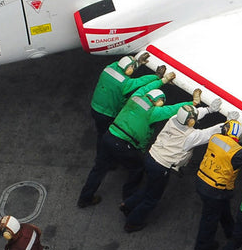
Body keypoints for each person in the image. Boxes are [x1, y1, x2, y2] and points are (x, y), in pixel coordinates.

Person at [77, 78, 193, 208]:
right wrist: (192, 103)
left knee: (98, 169)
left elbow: (144, 88)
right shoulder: (153, 112)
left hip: (109, 136)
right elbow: (173, 109)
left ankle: (85, 198)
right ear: (159, 101)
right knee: (137, 168)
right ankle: (128, 199)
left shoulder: (135, 97)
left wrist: (162, 81)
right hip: (124, 144)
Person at [120, 99, 221, 233]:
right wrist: (225, 125)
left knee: (148, 187)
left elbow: (192, 115)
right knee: (152, 198)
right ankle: (132, 222)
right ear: (191, 122)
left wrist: (208, 110)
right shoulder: (191, 136)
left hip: (151, 157)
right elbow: (208, 134)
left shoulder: (173, 119)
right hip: (161, 167)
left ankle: (128, 204)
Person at [192, 117, 242, 250]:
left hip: (203, 181)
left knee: (223, 208)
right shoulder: (238, 153)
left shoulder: (215, 138)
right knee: (209, 219)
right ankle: (202, 246)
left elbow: (228, 142)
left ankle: (230, 230)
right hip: (216, 190)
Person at [89, 52, 161, 139]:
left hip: (94, 108)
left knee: (100, 131)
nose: (133, 69)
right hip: (107, 114)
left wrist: (137, 63)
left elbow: (123, 66)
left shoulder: (109, 68)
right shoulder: (125, 84)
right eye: (132, 67)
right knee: (107, 135)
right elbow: (141, 81)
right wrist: (156, 76)